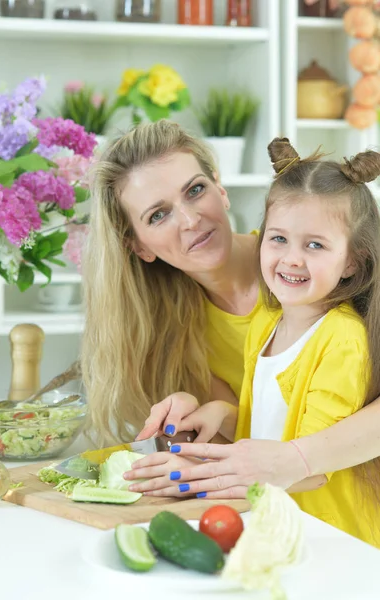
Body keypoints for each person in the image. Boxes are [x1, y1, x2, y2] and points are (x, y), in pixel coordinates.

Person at [82, 119, 380, 496]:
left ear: (220, 189)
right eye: (158, 215)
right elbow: (256, 446)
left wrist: (295, 460)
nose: (191, 220)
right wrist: (205, 416)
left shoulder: (320, 284)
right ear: (138, 246)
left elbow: (291, 463)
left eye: (195, 190)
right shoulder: (181, 331)